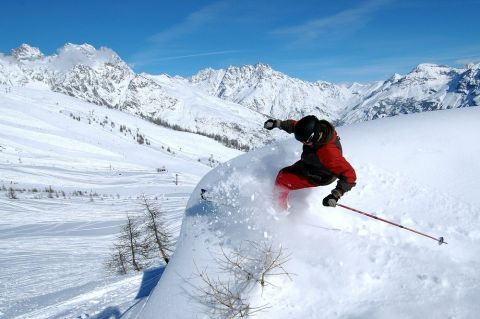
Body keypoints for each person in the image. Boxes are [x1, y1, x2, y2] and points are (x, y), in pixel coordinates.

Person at [264, 115, 356, 211]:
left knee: (282, 180)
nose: (303, 143)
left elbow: (350, 175)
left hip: (319, 174)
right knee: (283, 173)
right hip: (312, 163)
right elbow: (295, 126)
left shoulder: (328, 153)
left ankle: (278, 211)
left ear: (314, 136)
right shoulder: (317, 132)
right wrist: (277, 124)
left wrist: (336, 194)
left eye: (305, 141)